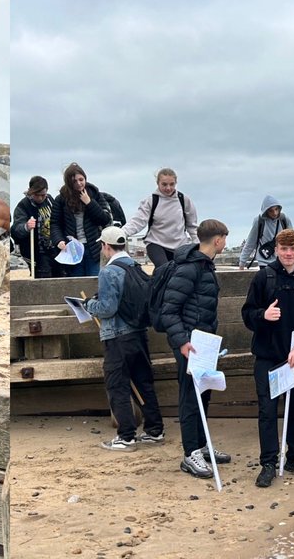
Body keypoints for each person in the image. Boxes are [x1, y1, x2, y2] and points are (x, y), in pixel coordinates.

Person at [241, 228, 294, 488]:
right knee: (268, 410)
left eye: (293, 248)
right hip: (268, 356)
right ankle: (268, 462)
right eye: (284, 249)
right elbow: (247, 313)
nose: (288, 253)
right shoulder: (264, 277)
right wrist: (263, 315)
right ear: (276, 250)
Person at [157, 219, 231, 478]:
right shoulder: (190, 268)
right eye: (225, 238)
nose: (225, 243)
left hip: (204, 343)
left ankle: (202, 445)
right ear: (218, 239)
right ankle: (191, 455)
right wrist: (182, 342)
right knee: (190, 398)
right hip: (190, 345)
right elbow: (169, 310)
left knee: (204, 394)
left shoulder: (204, 265)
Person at [84, 226, 163, 451]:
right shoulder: (136, 267)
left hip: (117, 337)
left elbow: (108, 308)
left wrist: (89, 304)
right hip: (138, 334)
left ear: (106, 246)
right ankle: (155, 430)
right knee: (143, 383)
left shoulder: (108, 272)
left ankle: (126, 436)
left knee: (117, 384)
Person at [123, 168, 197, 270]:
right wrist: (121, 232)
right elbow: (138, 221)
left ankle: (154, 285)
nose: (168, 188)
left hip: (179, 245)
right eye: (164, 184)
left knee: (179, 273)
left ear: (176, 183)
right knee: (164, 269)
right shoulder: (151, 201)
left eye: (172, 184)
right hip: (156, 243)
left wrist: (198, 244)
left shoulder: (183, 200)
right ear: (158, 183)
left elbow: (192, 225)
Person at [50, 163, 112, 278]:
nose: (79, 184)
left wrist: (89, 203)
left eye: (81, 179)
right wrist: (58, 240)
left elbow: (104, 219)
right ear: (69, 182)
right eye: (74, 181)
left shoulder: (95, 194)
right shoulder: (61, 199)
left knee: (93, 281)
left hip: (93, 247)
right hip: (72, 249)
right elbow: (55, 223)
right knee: (76, 283)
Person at [10, 177, 58, 279]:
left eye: (43, 195)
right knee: (44, 281)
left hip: (54, 250)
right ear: (31, 192)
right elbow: (15, 230)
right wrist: (26, 227)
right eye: (37, 195)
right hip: (37, 254)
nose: (40, 198)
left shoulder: (49, 200)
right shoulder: (23, 205)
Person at [239, 196, 292, 269]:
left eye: (276, 209)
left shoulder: (284, 219)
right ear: (266, 211)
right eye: (271, 211)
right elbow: (251, 242)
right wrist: (242, 263)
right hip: (264, 262)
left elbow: (293, 241)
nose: (275, 213)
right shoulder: (259, 221)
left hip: (282, 261)